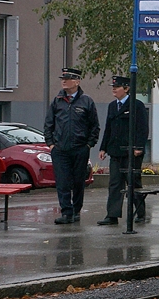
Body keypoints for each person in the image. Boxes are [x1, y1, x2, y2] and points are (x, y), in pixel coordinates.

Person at [43, 67, 100, 224]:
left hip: (79, 148)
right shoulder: (57, 101)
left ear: (77, 81)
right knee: (62, 182)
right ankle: (66, 212)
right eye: (62, 78)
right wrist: (51, 144)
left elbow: (94, 126)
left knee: (78, 182)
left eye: (67, 78)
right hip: (60, 149)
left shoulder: (86, 101)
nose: (63, 81)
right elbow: (49, 125)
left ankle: (76, 211)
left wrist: (89, 145)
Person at [97, 75, 150, 225]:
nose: (114, 89)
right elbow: (108, 128)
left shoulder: (136, 105)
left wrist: (139, 147)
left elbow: (143, 128)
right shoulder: (112, 106)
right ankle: (112, 215)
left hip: (131, 152)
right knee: (114, 184)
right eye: (113, 87)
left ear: (126, 89)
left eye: (117, 87)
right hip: (115, 151)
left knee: (133, 182)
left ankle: (140, 212)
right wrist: (103, 148)